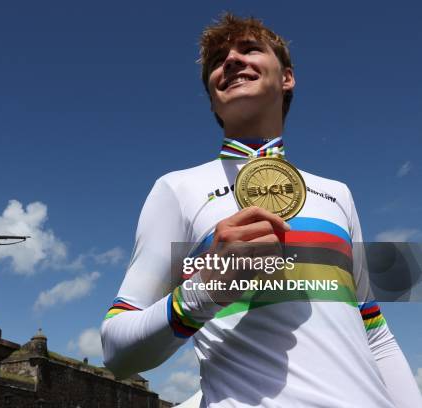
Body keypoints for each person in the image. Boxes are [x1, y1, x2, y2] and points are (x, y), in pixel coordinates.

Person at [101, 13, 422, 407]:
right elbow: (116, 351)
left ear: (287, 78)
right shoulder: (176, 188)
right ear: (213, 96)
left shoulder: (338, 193)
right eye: (219, 60)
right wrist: (207, 287)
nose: (232, 60)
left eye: (249, 49)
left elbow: (373, 329)